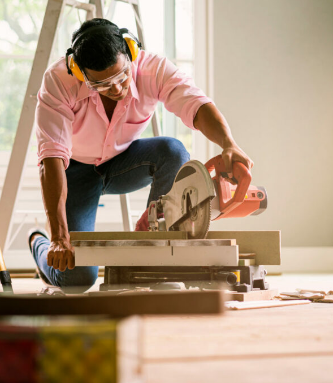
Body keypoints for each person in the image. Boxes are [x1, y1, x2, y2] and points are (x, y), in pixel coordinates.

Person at [29, 18, 253, 291]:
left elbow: (196, 104)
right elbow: (51, 158)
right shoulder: (58, 81)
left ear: (131, 53)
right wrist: (58, 238)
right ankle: (38, 243)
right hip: (74, 171)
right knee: (76, 278)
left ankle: (154, 250)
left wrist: (228, 144)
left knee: (173, 151)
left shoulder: (152, 69)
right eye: (101, 84)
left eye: (121, 76)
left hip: (125, 162)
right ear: (80, 72)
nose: (115, 88)